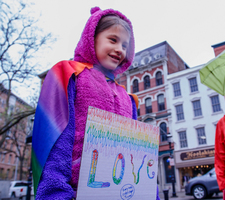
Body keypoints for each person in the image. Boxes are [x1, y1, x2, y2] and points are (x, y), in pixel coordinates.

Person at [32, 7, 160, 200]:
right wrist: (56, 194)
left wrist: (150, 194)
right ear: (91, 39)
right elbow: (56, 142)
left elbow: (136, 154)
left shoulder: (128, 98)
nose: (120, 50)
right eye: (113, 40)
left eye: (125, 45)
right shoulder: (69, 76)